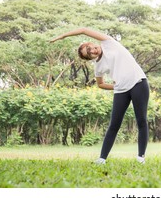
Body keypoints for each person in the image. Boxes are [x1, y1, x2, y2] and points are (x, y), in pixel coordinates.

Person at [50, 27, 149, 165]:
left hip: (138, 82)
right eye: (89, 53)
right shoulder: (98, 66)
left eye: (90, 47)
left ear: (91, 43)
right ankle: (102, 159)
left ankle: (141, 158)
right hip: (121, 90)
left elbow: (83, 30)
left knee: (141, 121)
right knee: (114, 124)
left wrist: (62, 36)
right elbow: (100, 84)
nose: (93, 51)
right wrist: (115, 86)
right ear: (90, 58)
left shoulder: (109, 43)